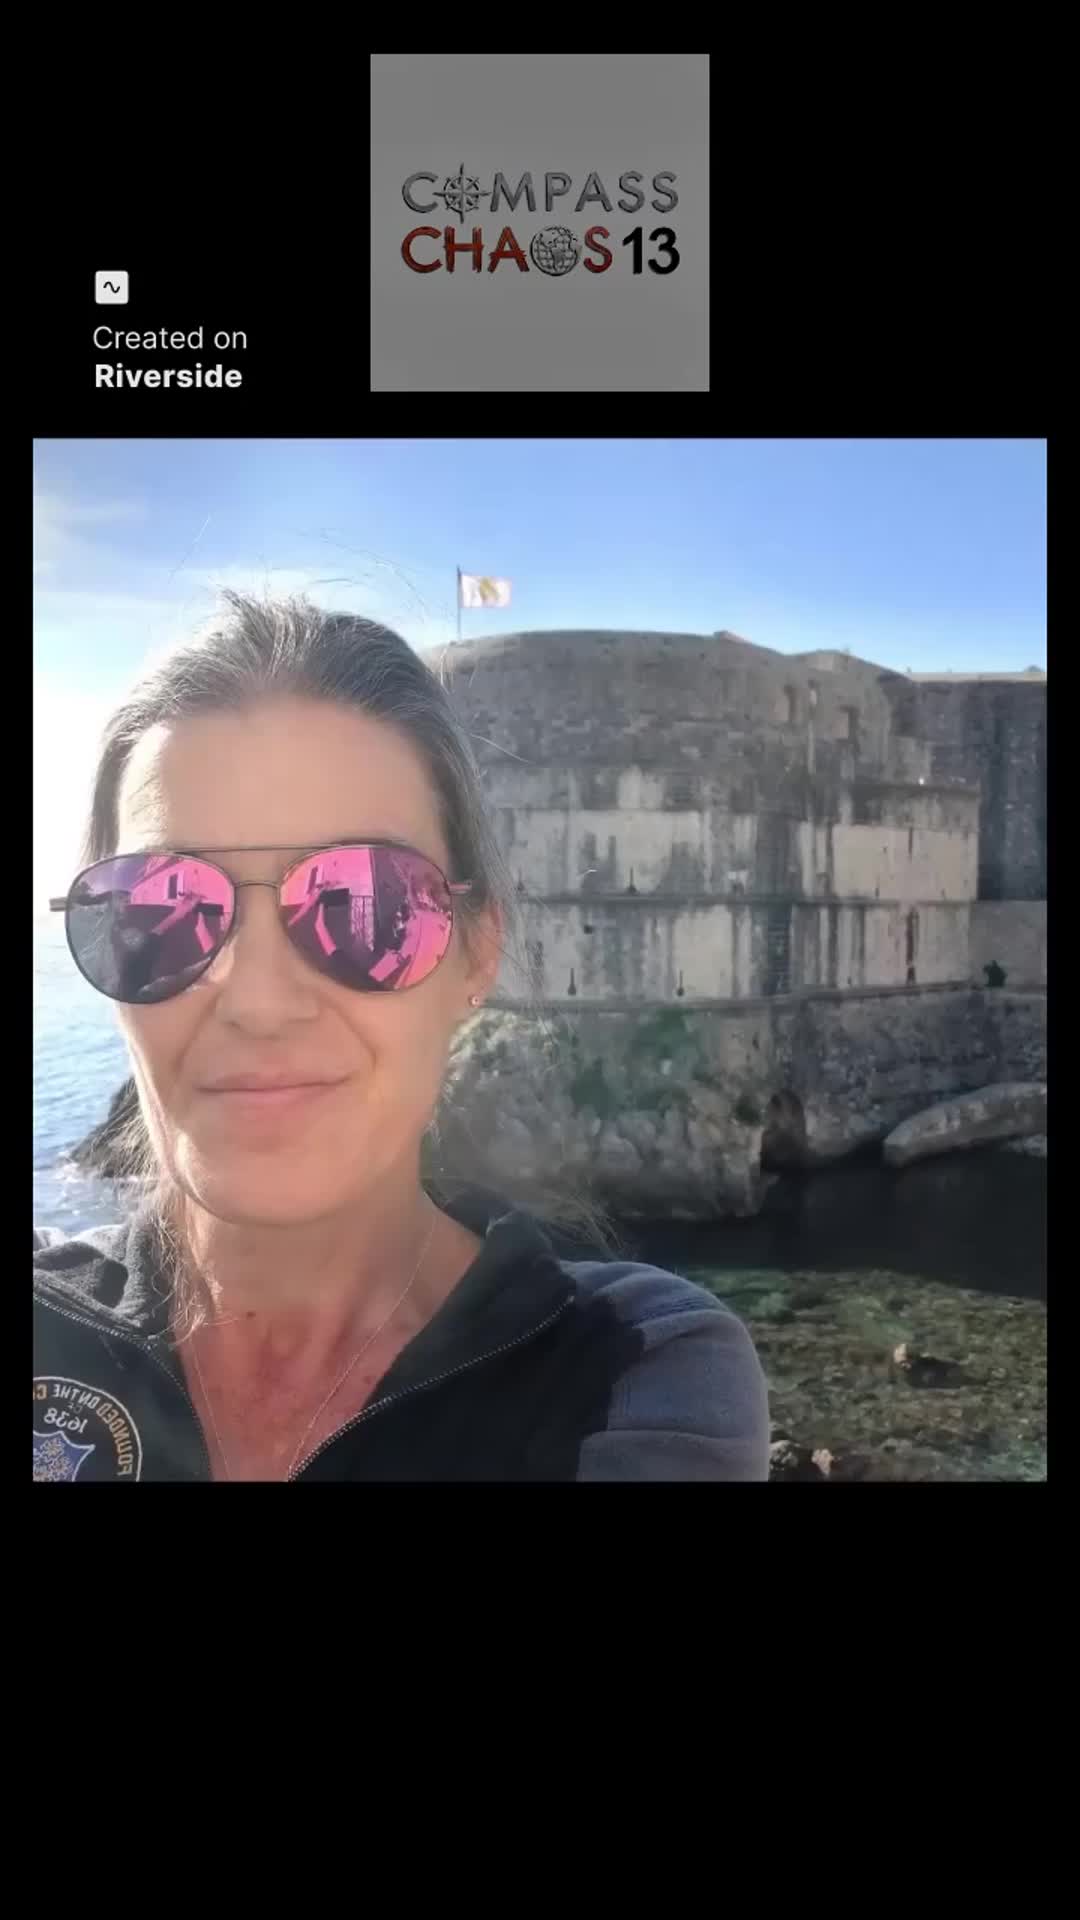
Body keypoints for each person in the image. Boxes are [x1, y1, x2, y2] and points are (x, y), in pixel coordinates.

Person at [34, 593, 769, 1482]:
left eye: (370, 906)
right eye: (160, 909)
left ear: (476, 954)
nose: (258, 1000)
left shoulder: (632, 1370)